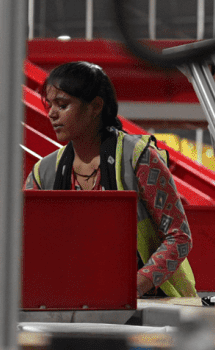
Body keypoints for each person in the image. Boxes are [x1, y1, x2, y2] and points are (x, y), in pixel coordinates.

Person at [25, 61, 197, 297]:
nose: (52, 113)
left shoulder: (140, 158)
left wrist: (131, 288)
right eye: (50, 104)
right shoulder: (42, 172)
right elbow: (26, 244)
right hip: (75, 302)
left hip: (154, 305)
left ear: (95, 106)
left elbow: (179, 237)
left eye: (62, 105)